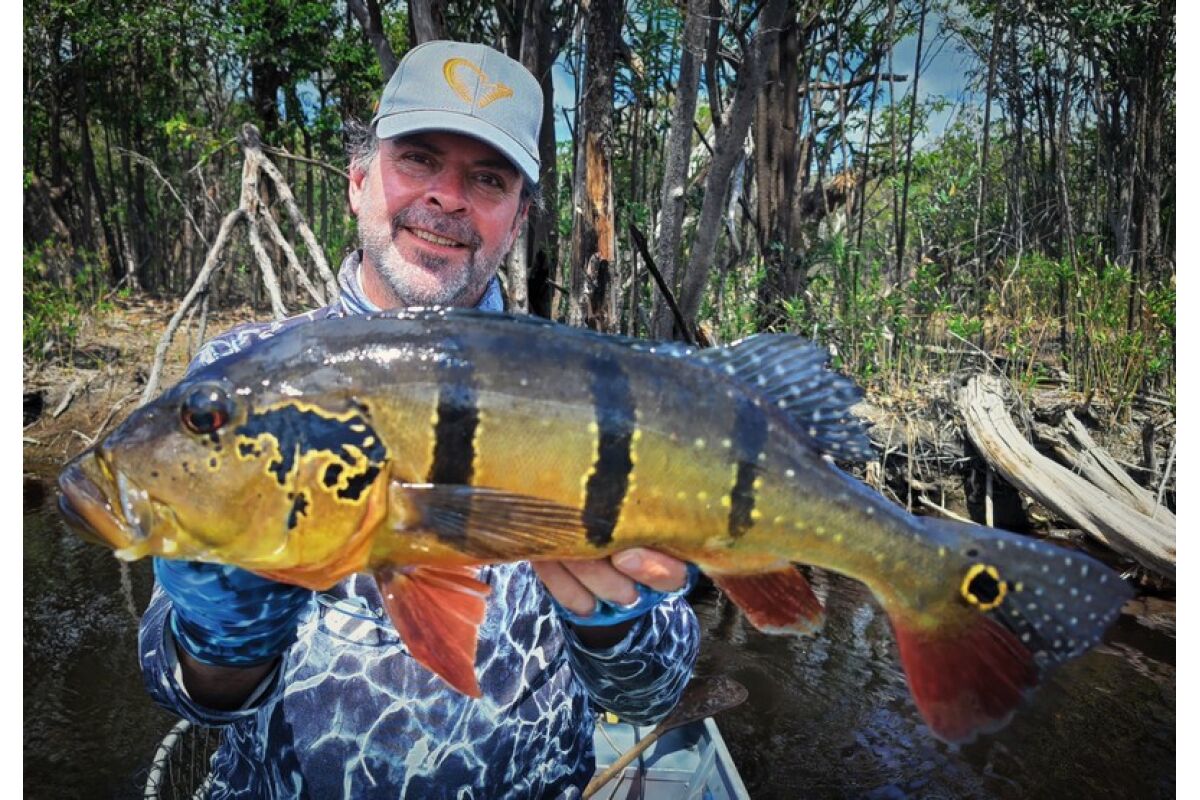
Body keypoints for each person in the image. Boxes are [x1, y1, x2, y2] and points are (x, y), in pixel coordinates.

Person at [139, 40, 700, 799]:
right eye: (418, 159)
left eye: (488, 178)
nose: (447, 197)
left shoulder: (594, 397)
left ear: (517, 219)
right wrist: (223, 635)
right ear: (359, 179)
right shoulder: (237, 379)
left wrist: (617, 622)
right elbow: (185, 694)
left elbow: (650, 696)